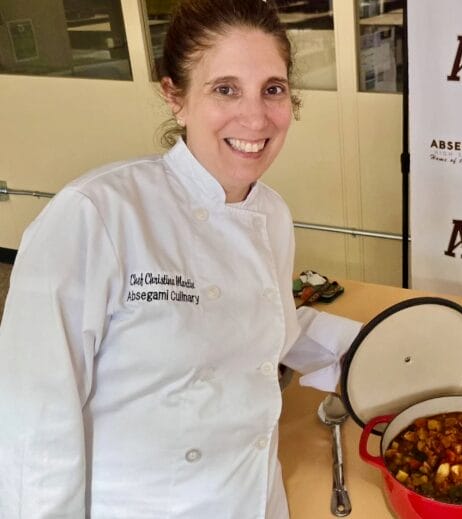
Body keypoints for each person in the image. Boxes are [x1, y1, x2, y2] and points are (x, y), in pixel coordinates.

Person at [0, 0, 361, 517]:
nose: (256, 116)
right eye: (225, 89)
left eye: (272, 89)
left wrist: (371, 348)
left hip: (254, 496)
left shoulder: (272, 213)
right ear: (175, 95)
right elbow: (31, 422)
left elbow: (262, 321)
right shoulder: (96, 215)